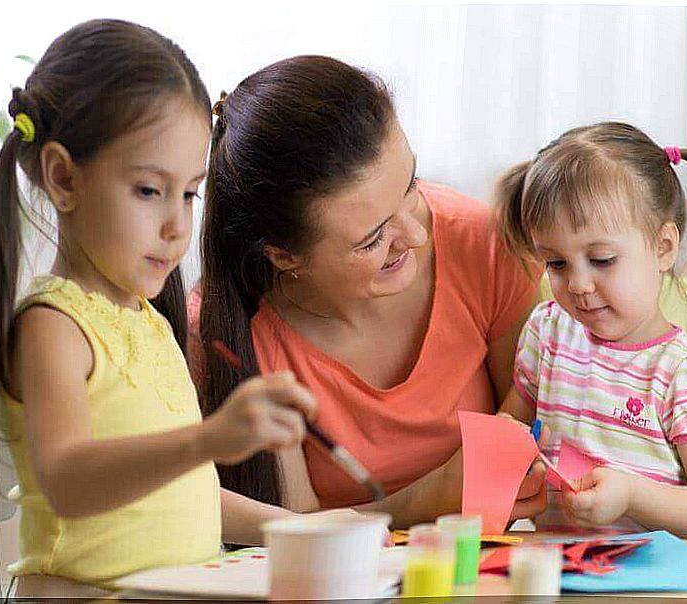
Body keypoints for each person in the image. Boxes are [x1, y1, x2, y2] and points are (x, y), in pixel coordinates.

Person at [0, 19, 316, 596]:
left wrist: (298, 528)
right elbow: (69, 483)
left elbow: (182, 490)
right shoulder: (54, 327)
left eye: (190, 192)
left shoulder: (148, 324)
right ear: (62, 177)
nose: (177, 225)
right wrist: (208, 439)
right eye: (150, 190)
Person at [188, 55, 549, 540]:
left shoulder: (484, 244)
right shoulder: (230, 330)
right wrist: (428, 500)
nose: (416, 236)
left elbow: (540, 425)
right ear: (285, 256)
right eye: (373, 238)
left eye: (410, 185)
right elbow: (295, 531)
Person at [495, 121, 687, 538]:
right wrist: (506, 452)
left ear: (663, 247)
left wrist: (632, 494)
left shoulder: (684, 375)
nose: (577, 284)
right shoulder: (548, 333)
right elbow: (510, 428)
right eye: (556, 263)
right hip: (553, 570)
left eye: (601, 260)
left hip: (649, 584)